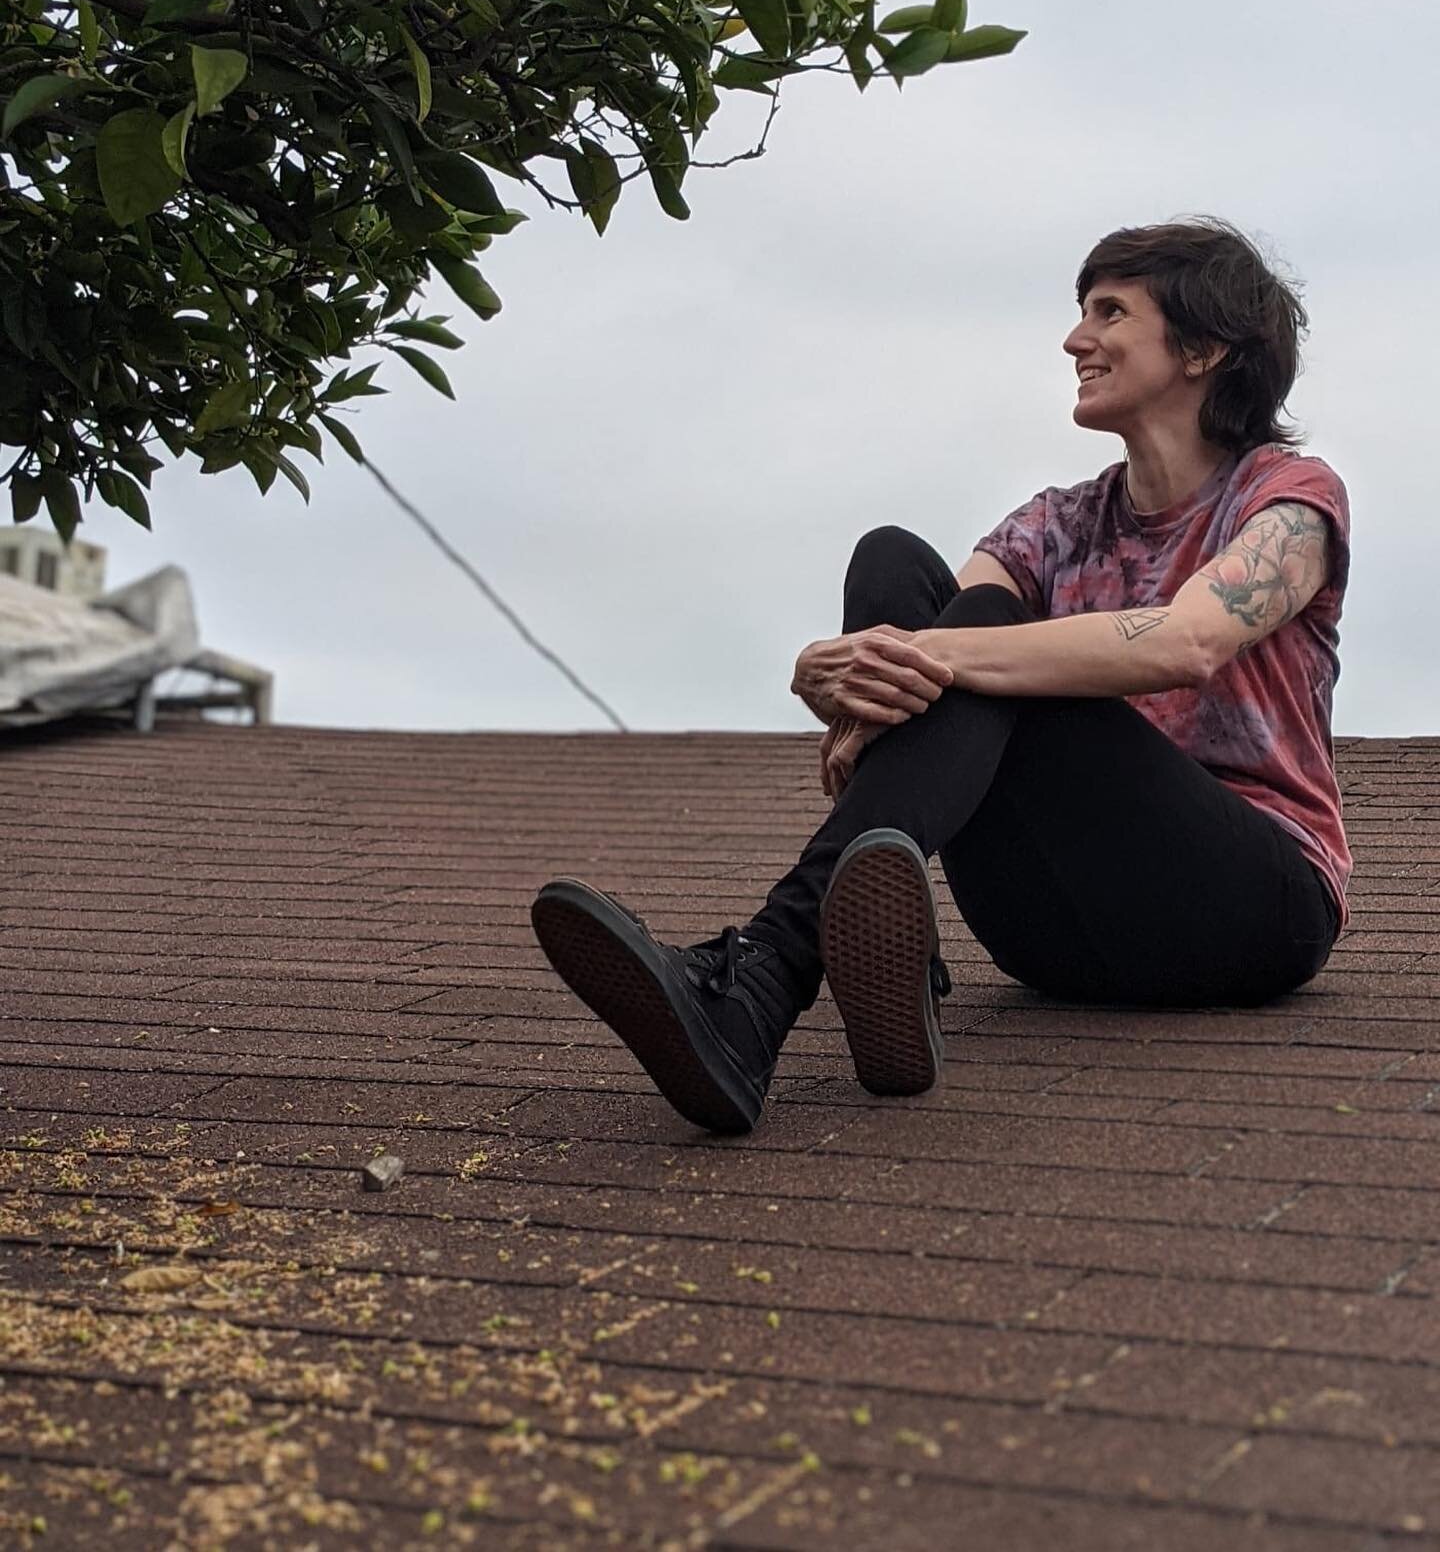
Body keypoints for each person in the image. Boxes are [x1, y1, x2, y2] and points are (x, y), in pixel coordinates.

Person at [531, 218, 1350, 1136]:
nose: (1076, 339)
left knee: (977, 647)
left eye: (1110, 313)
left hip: (1252, 906)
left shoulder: (1287, 498)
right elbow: (943, 634)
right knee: (892, 566)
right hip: (1052, 933)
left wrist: (910, 667)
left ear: (1202, 347)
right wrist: (840, 680)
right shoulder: (1055, 523)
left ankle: (767, 975)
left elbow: (1186, 643)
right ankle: (880, 952)